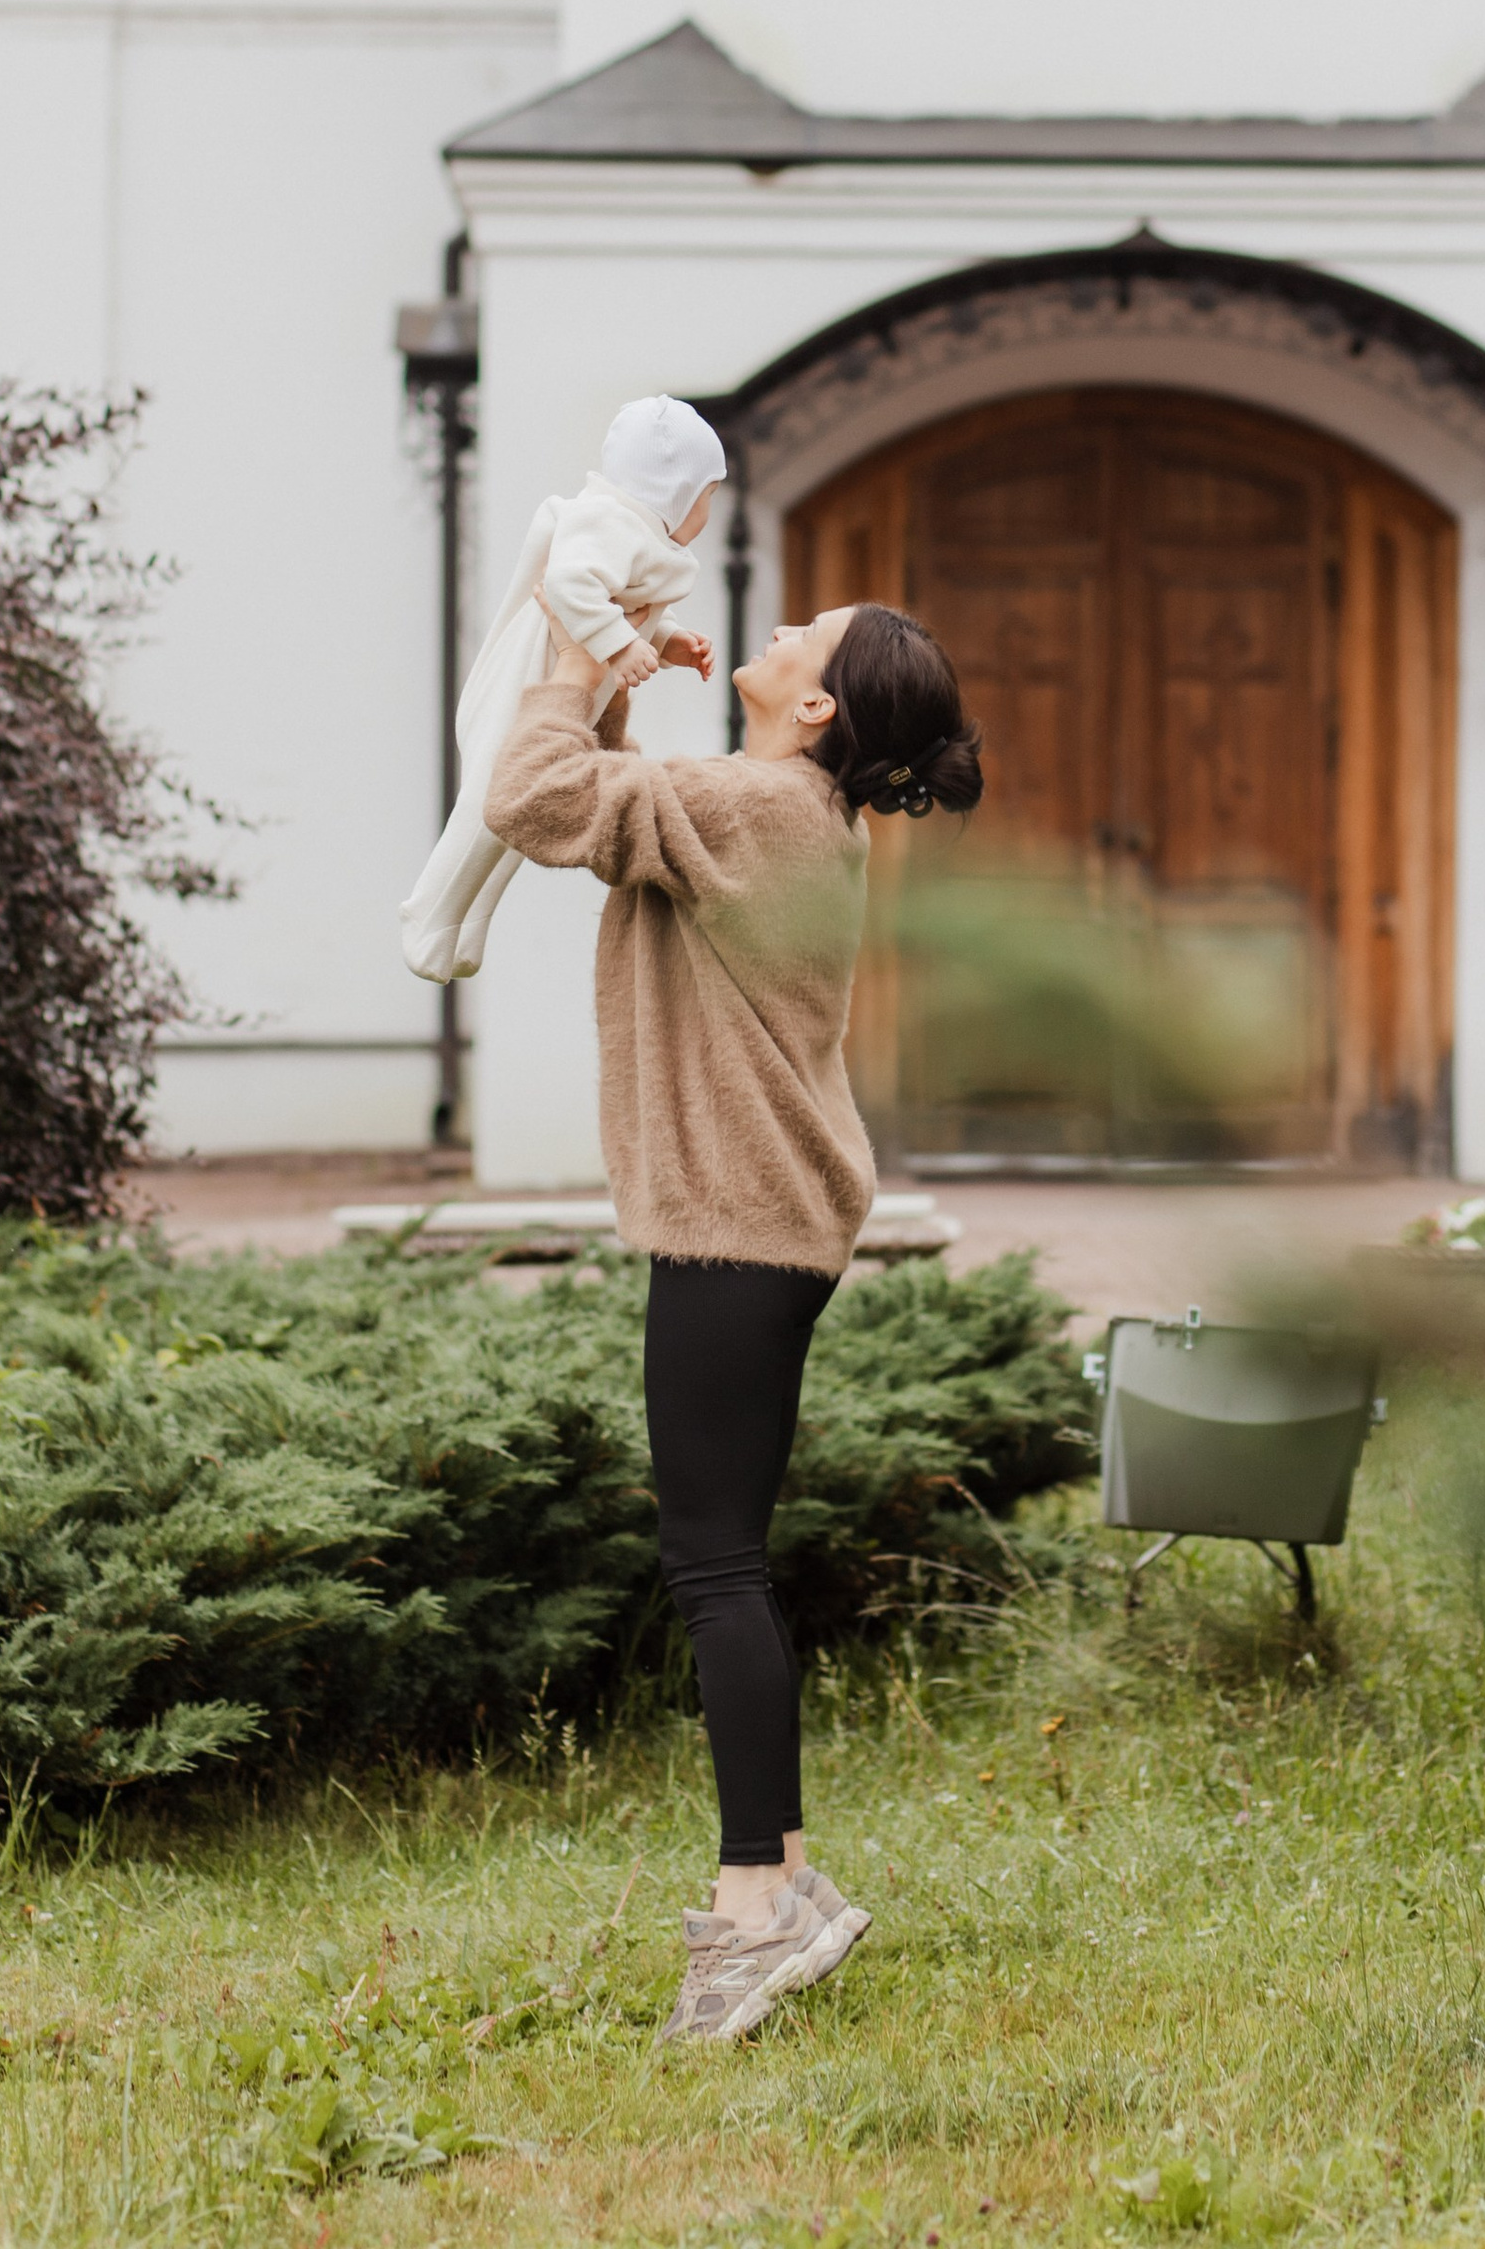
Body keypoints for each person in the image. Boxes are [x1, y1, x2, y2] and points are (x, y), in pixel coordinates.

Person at [484, 592, 984, 2045]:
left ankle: (753, 1913)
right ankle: (796, 1882)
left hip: (740, 1220)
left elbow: (537, 799)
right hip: (763, 1214)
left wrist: (582, 660)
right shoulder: (779, 812)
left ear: (817, 709)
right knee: (724, 1561)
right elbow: (623, 811)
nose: (775, 631)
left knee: (714, 1570)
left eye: (804, 636)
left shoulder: (762, 809)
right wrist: (621, 690)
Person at [400, 394, 727, 984]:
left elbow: (621, 601)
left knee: (518, 818)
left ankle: (468, 921)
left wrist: (666, 641)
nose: (707, 511)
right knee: (488, 801)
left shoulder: (638, 538)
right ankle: (429, 911)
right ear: (675, 490)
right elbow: (573, 584)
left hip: (563, 693)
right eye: (706, 495)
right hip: (527, 684)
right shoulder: (606, 521)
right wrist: (622, 646)